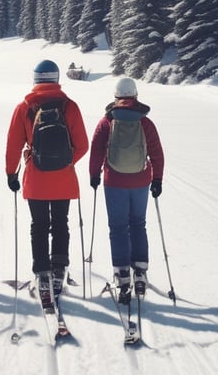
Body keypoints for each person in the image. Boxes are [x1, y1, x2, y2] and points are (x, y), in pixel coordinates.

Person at [5, 59, 88, 307]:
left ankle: (42, 273)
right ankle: (59, 270)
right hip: (63, 179)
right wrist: (65, 161)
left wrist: (12, 173)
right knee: (60, 223)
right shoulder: (69, 106)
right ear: (56, 78)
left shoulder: (25, 107)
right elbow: (83, 145)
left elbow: (13, 144)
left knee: (39, 226)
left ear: (36, 79)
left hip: (36, 179)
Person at [88, 76, 164, 304]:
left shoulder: (107, 121)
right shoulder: (145, 122)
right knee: (138, 223)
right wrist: (157, 179)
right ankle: (140, 271)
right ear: (135, 96)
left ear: (116, 97)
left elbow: (96, 149)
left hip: (115, 181)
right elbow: (157, 152)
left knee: (118, 228)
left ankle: (122, 275)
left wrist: (94, 175)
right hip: (141, 180)